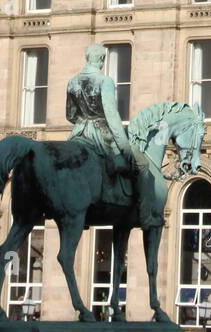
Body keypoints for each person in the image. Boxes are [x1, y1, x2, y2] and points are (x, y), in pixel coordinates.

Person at [65, 44, 161, 229]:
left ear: (87, 58)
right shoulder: (105, 81)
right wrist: (124, 147)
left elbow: (70, 114)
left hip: (78, 133)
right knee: (142, 164)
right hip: (102, 134)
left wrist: (83, 120)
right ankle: (145, 216)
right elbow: (111, 116)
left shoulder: (72, 82)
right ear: (102, 60)